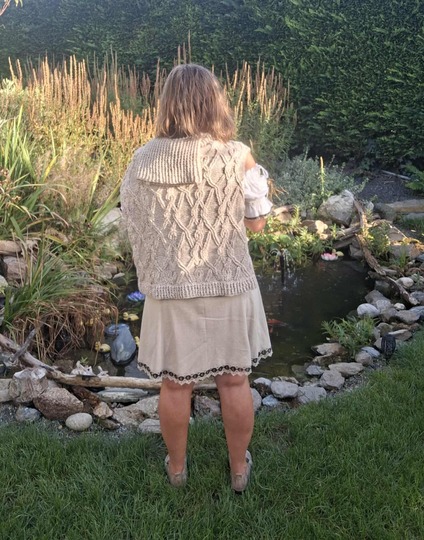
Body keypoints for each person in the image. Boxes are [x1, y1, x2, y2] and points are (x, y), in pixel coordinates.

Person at [120, 64, 272, 493]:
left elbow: (130, 217)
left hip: (171, 288)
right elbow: (257, 222)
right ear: (213, 102)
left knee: (174, 384)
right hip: (228, 283)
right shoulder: (236, 155)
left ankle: (177, 470)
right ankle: (238, 470)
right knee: (235, 380)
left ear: (168, 104)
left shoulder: (143, 157)